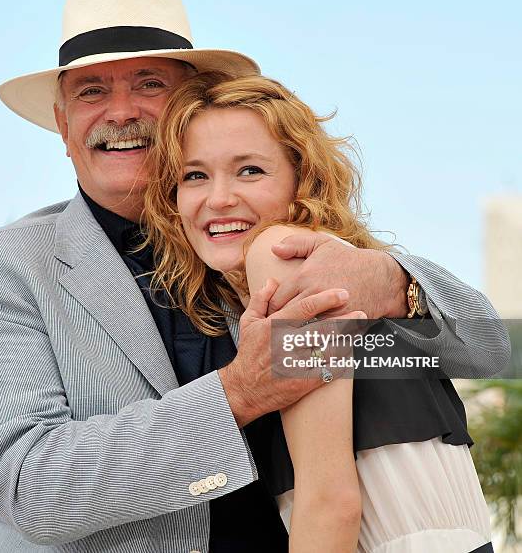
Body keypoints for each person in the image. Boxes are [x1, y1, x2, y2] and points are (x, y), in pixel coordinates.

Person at [0, 0, 509, 551]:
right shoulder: (0, 272)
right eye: (90, 91)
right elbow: (33, 488)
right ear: (64, 126)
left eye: (149, 83)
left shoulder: (263, 245)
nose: (121, 112)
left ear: (187, 106)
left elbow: (489, 347)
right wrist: (240, 391)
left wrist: (392, 283)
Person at [141, 70, 496, 552]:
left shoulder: (283, 257)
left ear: (300, 178)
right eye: (195, 175)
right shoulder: (302, 275)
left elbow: (330, 501)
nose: (218, 198)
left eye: (250, 170)